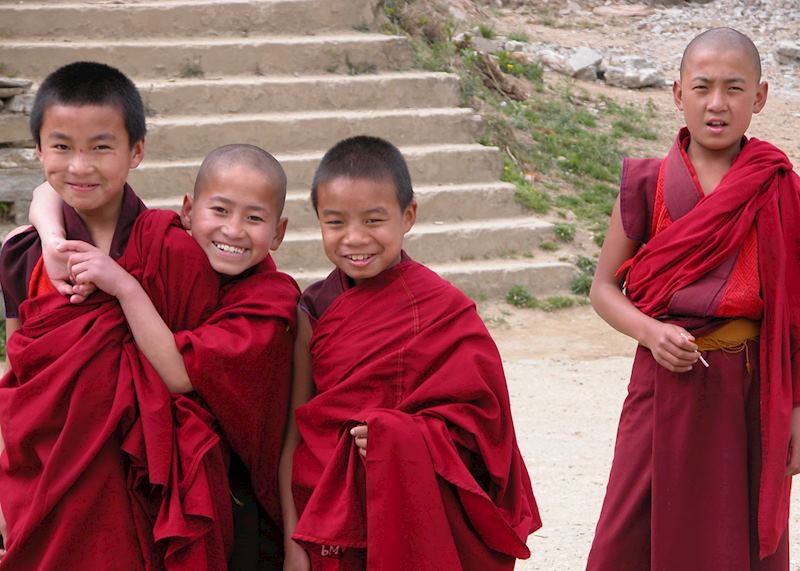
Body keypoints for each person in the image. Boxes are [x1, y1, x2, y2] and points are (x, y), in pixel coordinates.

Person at [586, 27, 800, 571]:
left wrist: (798, 409)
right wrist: (650, 332)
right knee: (629, 532)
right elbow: (604, 288)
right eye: (702, 87)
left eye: (734, 88)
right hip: (661, 381)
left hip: (747, 390)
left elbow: (796, 313)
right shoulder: (646, 182)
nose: (717, 104)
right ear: (678, 93)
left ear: (760, 97)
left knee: (737, 531)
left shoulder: (779, 188)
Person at [29, 143, 300, 570]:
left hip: (232, 493)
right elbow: (50, 191)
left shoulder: (271, 303)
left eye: (254, 218)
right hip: (139, 478)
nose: (233, 230)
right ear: (188, 211)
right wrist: (51, 239)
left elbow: (178, 375)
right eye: (221, 211)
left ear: (279, 232)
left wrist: (124, 286)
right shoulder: (159, 241)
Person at [278, 135, 541, 570]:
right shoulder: (313, 309)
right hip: (329, 514)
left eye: (374, 220)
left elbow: (486, 430)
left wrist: (400, 438)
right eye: (336, 222)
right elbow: (298, 431)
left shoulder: (442, 309)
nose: (355, 238)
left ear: (408, 216)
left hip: (414, 508)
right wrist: (293, 541)